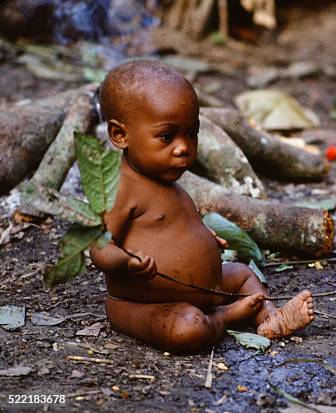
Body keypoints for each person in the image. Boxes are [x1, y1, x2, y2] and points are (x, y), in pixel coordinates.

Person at [90, 59, 314, 354]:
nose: (183, 147)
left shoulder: (166, 181)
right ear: (121, 135)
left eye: (191, 133)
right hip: (145, 304)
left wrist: (206, 236)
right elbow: (99, 247)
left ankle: (269, 316)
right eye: (167, 136)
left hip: (209, 286)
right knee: (187, 329)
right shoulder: (119, 188)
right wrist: (127, 261)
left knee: (244, 274)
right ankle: (225, 316)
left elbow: (174, 225)